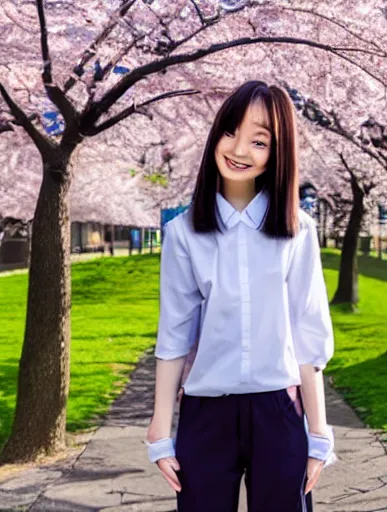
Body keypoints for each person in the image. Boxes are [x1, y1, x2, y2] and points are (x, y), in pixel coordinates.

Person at [144, 80, 335, 512]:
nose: (240, 149)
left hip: (280, 413)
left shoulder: (299, 231)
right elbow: (173, 333)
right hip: (206, 414)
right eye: (231, 132)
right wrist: (159, 426)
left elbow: (308, 331)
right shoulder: (183, 234)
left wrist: (319, 431)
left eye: (260, 140)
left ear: (276, 153)